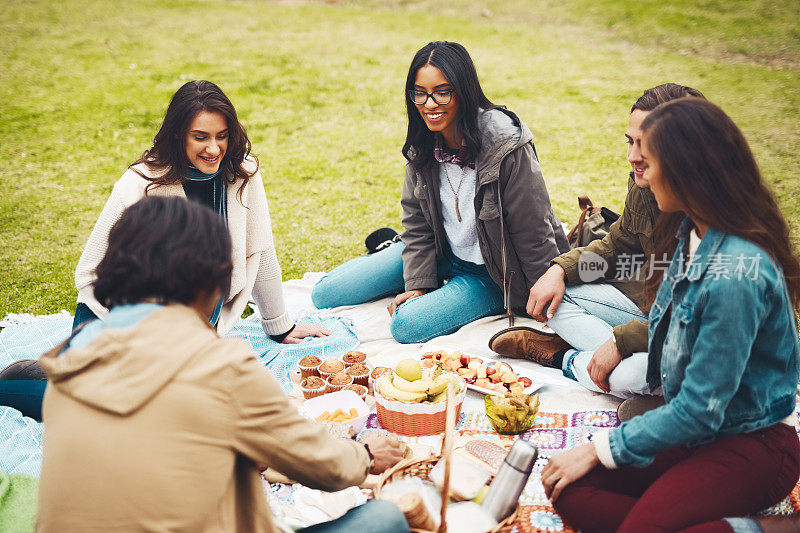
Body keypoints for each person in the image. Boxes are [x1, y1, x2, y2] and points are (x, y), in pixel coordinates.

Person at [36, 197, 408, 533]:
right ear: (210, 281)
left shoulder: (69, 361)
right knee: (385, 519)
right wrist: (368, 454)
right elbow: (319, 462)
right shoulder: (222, 366)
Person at [540, 98, 800, 532]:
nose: (639, 167)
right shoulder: (688, 233)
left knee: (610, 488)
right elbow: (666, 333)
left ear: (685, 170)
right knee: (569, 489)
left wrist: (598, 447)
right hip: (693, 435)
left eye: (650, 157)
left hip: (752, 445)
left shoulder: (738, 272)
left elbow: (701, 408)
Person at [0, 80, 330, 420]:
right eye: (200, 137)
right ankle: (34, 378)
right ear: (178, 136)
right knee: (96, 411)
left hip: (189, 333)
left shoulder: (242, 173)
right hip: (119, 324)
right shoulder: (141, 182)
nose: (214, 149)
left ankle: (55, 374)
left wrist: (279, 325)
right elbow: (90, 272)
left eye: (222, 135)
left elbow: (260, 251)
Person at [311, 41, 569, 343]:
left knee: (407, 325)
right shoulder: (423, 141)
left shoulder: (506, 146)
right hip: (441, 252)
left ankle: (455, 293)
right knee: (325, 293)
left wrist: (542, 290)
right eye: (420, 93)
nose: (429, 104)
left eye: (442, 92)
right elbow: (417, 222)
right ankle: (404, 259)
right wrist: (418, 283)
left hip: (492, 273)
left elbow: (533, 227)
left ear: (464, 91)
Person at [489, 84, 704, 405]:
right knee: (552, 298)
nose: (632, 156)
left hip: (690, 335)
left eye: (645, 145)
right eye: (630, 141)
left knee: (639, 373)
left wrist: (621, 341)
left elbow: (697, 321)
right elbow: (619, 244)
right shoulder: (645, 184)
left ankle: (566, 358)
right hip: (648, 309)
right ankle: (620, 373)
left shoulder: (718, 217)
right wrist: (560, 270)